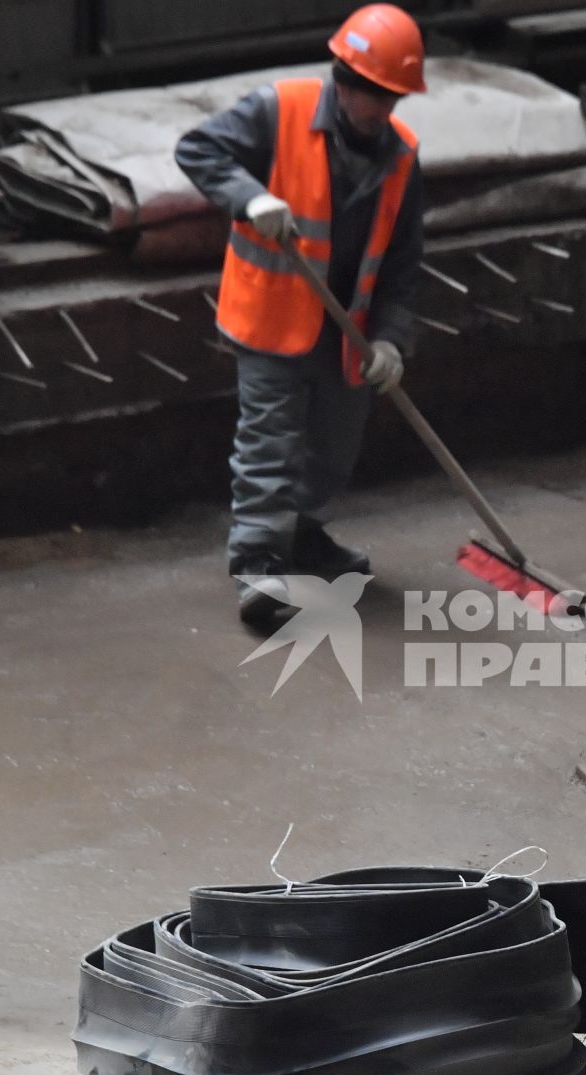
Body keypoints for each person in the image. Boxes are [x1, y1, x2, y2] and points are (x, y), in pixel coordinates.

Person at [176, 4, 427, 630]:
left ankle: (304, 536)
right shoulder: (277, 111)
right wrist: (249, 196)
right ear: (341, 77)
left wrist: (391, 340)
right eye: (366, 89)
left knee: (334, 446)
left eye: (388, 94)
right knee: (271, 441)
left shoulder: (401, 158)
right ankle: (259, 563)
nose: (375, 105)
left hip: (348, 330)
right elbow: (198, 149)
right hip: (272, 317)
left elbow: (403, 261)